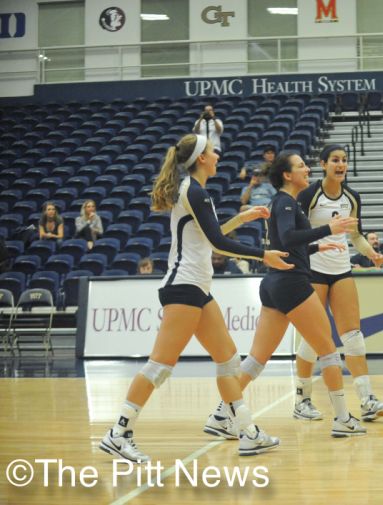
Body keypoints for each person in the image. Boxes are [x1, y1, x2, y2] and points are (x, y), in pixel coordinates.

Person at [99, 134, 293, 462]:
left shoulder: (194, 191)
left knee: (229, 359)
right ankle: (119, 433)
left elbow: (211, 242)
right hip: (184, 287)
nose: (218, 155)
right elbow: (219, 241)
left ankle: (246, 432)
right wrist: (263, 254)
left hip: (197, 289)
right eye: (213, 151)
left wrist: (242, 219)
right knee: (160, 367)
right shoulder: (194, 191)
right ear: (201, 158)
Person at [203, 151, 368, 439]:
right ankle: (342, 418)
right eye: (301, 166)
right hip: (292, 284)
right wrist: (328, 229)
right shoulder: (286, 203)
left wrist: (317, 248)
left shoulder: (286, 203)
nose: (307, 169)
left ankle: (221, 413)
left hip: (274, 283)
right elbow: (290, 238)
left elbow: (285, 243)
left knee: (256, 359)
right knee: (328, 350)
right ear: (288, 175)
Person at [290, 145, 383, 422]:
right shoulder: (309, 195)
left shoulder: (352, 197)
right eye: (335, 160)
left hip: (342, 269)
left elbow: (356, 235)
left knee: (353, 336)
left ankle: (367, 399)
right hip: (314, 270)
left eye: (344, 160)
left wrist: (371, 254)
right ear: (323, 164)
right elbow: (296, 233)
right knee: (314, 338)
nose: (341, 165)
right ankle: (302, 399)